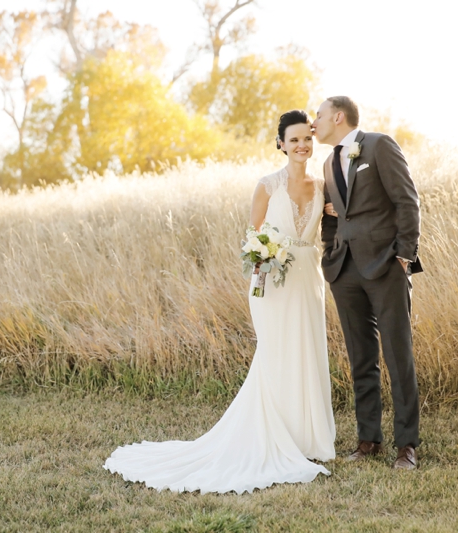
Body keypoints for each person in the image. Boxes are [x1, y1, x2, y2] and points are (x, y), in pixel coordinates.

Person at [103, 110, 336, 494]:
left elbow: (331, 224)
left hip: (309, 279)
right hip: (271, 283)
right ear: (280, 144)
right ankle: (274, 438)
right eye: (293, 140)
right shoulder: (266, 185)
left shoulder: (324, 184)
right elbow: (252, 238)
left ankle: (307, 440)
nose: (301, 146)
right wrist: (264, 258)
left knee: (307, 351)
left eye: (306, 138)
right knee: (276, 354)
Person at [313, 96, 422, 470]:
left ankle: (406, 445)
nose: (314, 123)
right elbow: (330, 215)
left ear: (338, 116)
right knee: (361, 358)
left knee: (397, 354)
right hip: (343, 270)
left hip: (385, 265)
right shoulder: (327, 163)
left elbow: (407, 201)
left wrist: (404, 255)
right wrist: (330, 251)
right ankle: (368, 439)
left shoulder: (378, 145)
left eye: (319, 116)